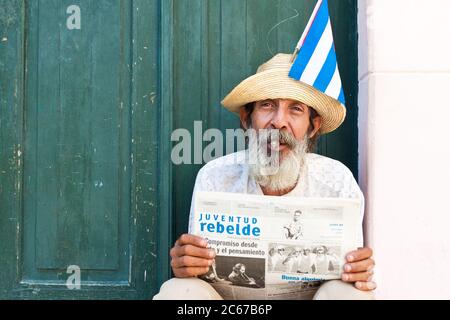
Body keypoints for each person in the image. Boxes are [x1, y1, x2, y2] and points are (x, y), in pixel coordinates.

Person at [154, 54, 376, 300]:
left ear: (312, 127)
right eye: (267, 105)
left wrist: (356, 270)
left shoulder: (337, 181)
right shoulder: (215, 177)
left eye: (296, 109)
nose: (279, 122)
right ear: (247, 119)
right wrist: (188, 262)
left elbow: (351, 276)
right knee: (179, 292)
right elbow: (199, 272)